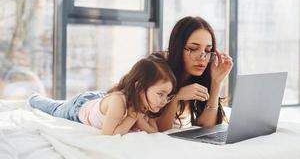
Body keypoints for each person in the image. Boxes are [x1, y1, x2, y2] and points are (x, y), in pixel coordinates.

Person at [29, 54, 176, 135]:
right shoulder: (120, 102)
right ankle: (34, 98)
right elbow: (108, 134)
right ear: (140, 87)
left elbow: (154, 131)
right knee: (56, 108)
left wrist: (139, 120)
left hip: (100, 99)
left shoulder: (145, 103)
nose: (164, 101)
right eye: (161, 94)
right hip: (80, 108)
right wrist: (132, 117)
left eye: (167, 95)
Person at [155, 16, 233, 131]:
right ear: (177, 48)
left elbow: (206, 127)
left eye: (207, 50)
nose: (202, 57)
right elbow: (162, 130)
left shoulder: (199, 75)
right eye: (193, 48)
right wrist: (176, 97)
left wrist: (216, 82)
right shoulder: (159, 71)